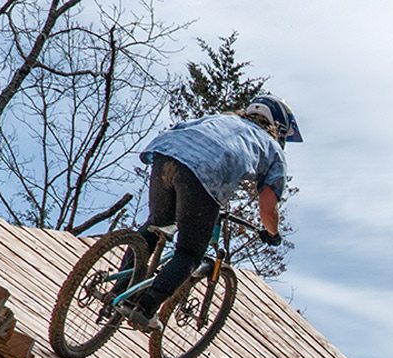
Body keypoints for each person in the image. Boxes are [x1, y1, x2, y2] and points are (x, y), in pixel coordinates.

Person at [124, 94, 303, 331]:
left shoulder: (218, 119)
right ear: (279, 128)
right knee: (189, 253)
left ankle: (118, 292)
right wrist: (273, 234)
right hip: (203, 174)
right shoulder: (272, 149)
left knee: (156, 224)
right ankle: (145, 308)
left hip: (166, 154)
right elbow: (268, 206)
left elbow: (178, 129)